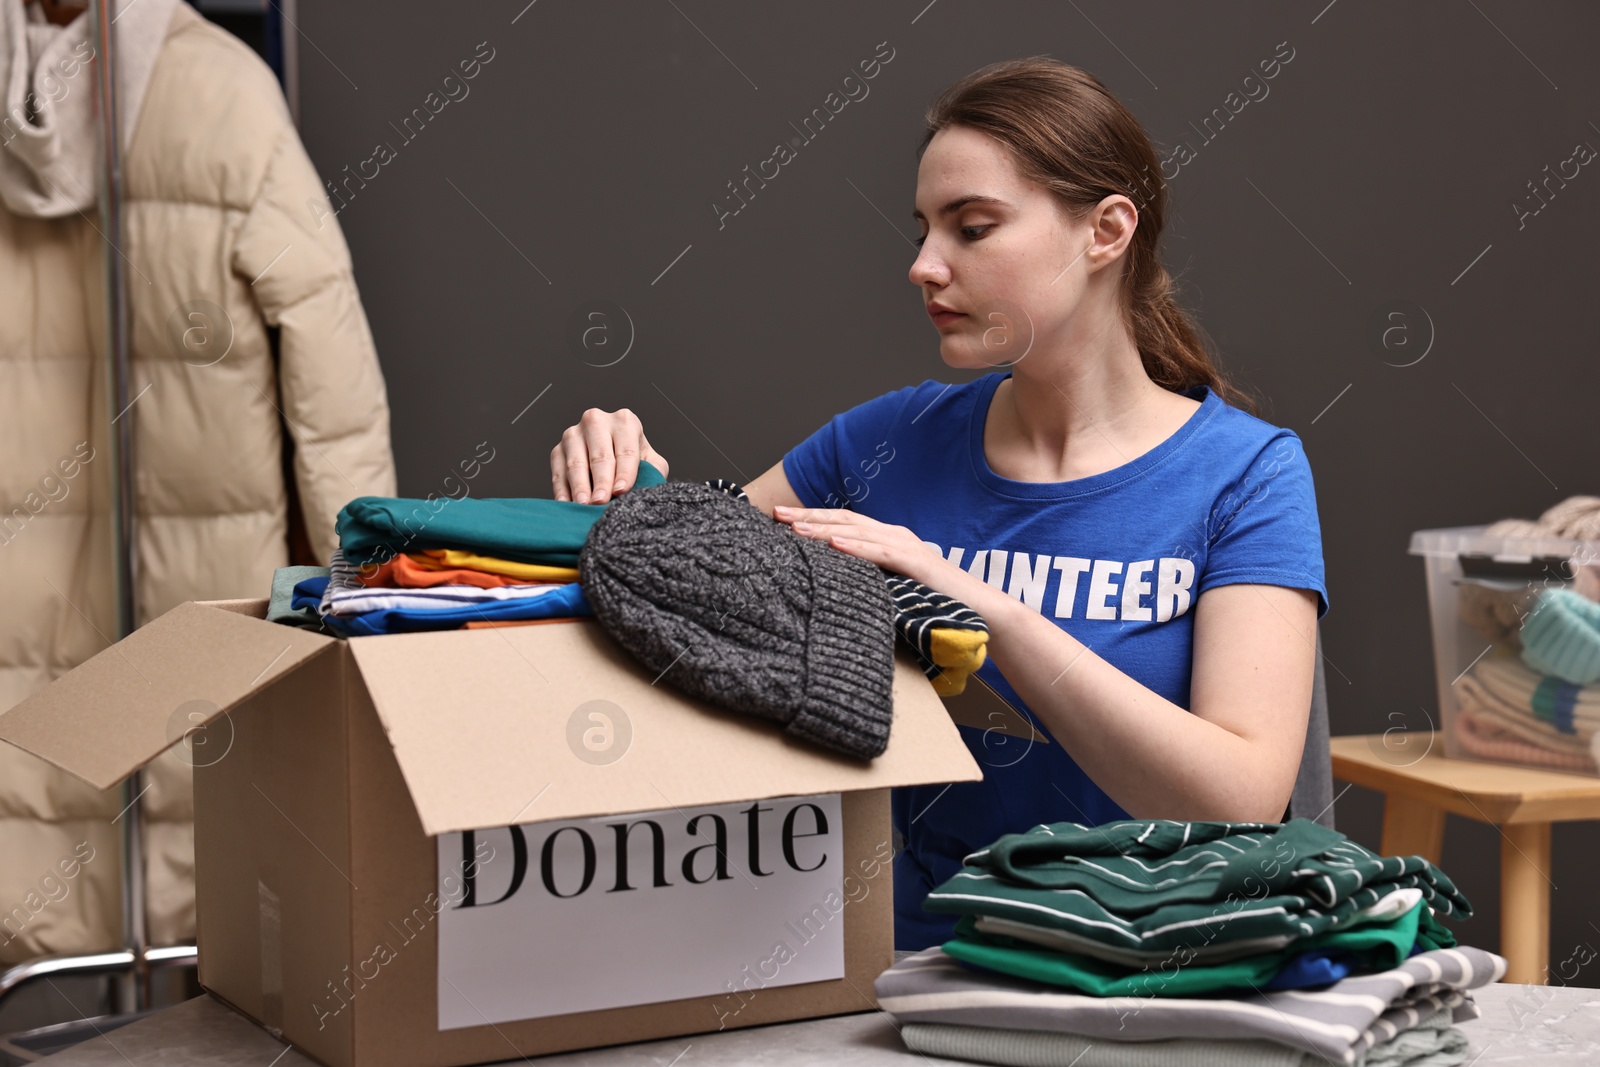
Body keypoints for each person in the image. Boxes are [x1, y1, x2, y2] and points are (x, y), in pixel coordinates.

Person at [550, 57, 1326, 951]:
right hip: (893, 972)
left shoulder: (1248, 474)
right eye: (923, 229)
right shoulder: (881, 441)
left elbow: (1240, 799)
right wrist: (628, 482)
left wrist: (983, 605)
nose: (924, 266)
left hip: (1137, 974)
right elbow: (675, 578)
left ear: (1106, 231)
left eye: (973, 227)